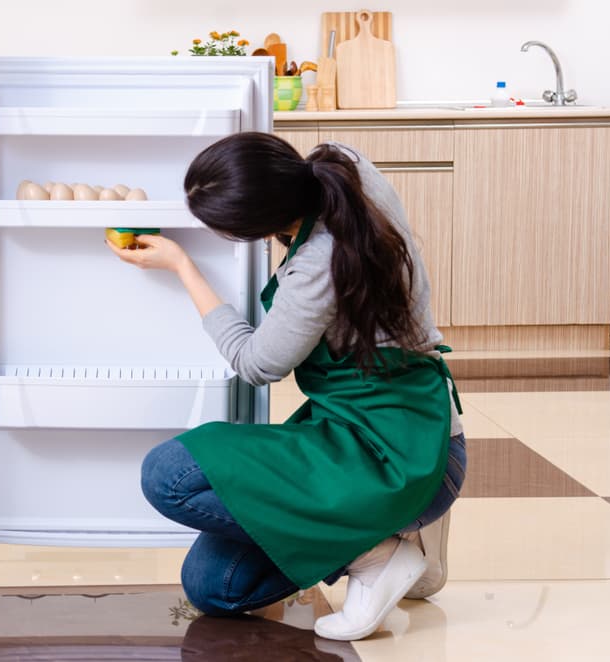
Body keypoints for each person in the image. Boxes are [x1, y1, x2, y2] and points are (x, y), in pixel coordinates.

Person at [105, 133, 467, 642]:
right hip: (414, 436)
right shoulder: (345, 167)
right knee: (213, 587)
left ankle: (376, 555)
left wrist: (183, 267)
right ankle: (405, 536)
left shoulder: (314, 269)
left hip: (394, 454)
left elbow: (254, 363)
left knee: (168, 476)